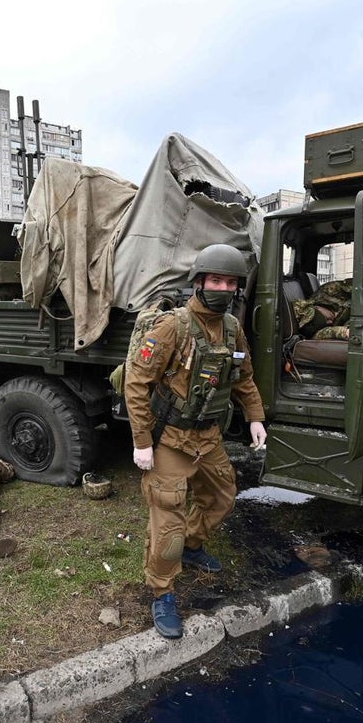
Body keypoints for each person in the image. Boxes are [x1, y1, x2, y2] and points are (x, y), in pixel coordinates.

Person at [123, 244, 267, 639]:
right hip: (170, 438)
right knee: (167, 522)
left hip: (208, 436)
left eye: (230, 282)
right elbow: (137, 382)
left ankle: (192, 544)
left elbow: (244, 377)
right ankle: (162, 591)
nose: (223, 288)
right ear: (200, 282)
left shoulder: (233, 328)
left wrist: (255, 417)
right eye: (216, 280)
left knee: (221, 497)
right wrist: (142, 441)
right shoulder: (174, 327)